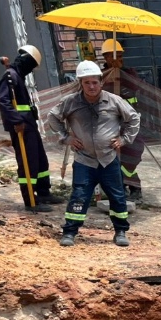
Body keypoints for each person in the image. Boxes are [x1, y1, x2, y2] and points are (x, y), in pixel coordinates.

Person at [47, 60, 141, 248]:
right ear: (80, 83)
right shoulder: (71, 102)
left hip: (108, 159)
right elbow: (52, 117)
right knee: (79, 195)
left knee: (117, 195)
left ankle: (120, 231)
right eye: (87, 82)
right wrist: (66, 138)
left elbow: (133, 119)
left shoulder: (114, 101)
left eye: (95, 82)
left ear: (101, 82)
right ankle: (70, 232)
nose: (91, 86)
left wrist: (123, 140)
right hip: (84, 160)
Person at [0, 45, 63, 212]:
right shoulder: (10, 77)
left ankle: (43, 192)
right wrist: (16, 120)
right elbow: (3, 101)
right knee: (28, 163)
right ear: (26, 62)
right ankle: (30, 199)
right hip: (21, 127)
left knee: (40, 159)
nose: (31, 71)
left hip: (29, 125)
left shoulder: (17, 76)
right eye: (32, 66)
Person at [100, 38, 147, 203]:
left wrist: (120, 75)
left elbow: (135, 87)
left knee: (133, 153)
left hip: (129, 124)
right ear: (106, 57)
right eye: (115, 57)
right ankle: (124, 188)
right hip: (110, 125)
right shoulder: (100, 77)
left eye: (121, 56)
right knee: (113, 157)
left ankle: (132, 185)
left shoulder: (129, 73)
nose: (118, 60)